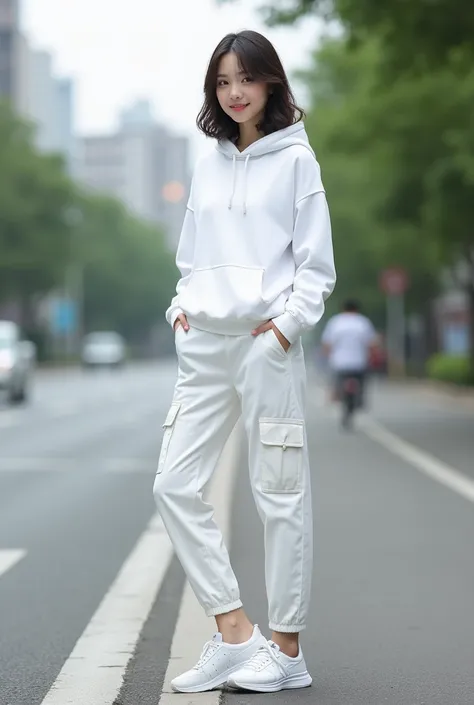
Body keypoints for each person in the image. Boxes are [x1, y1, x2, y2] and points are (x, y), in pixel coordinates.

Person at [153, 29, 336, 694]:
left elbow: (316, 267)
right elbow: (191, 250)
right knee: (172, 484)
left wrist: (284, 330)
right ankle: (235, 632)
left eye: (245, 79)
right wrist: (180, 307)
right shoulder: (208, 161)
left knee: (278, 493)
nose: (233, 93)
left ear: (271, 84)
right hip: (203, 343)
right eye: (223, 81)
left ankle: (286, 650)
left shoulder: (297, 162)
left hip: (264, 345)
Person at [321, 299, 378, 408]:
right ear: (357, 309)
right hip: (359, 363)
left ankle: (335, 395)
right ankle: (360, 400)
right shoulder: (363, 322)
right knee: (363, 382)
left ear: (343, 308)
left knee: (334, 381)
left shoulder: (335, 322)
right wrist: (372, 356)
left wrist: (327, 356)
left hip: (339, 363)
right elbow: (372, 344)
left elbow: (327, 344)